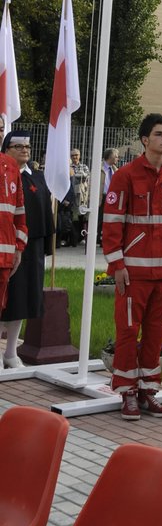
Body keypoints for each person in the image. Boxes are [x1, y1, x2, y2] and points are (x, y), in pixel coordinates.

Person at [102, 113, 162, 421]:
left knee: (156, 333)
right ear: (144, 139)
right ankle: (127, 393)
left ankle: (148, 390)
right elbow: (111, 224)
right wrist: (117, 264)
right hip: (134, 273)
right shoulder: (125, 175)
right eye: (159, 134)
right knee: (128, 332)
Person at [0, 132, 54, 368]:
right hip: (6, 246)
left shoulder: (37, 177)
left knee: (22, 301)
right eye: (18, 146)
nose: (25, 149)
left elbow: (42, 213)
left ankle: (11, 353)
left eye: (28, 146)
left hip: (29, 248)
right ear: (7, 148)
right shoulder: (7, 173)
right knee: (5, 302)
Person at [0, 125, 27, 355]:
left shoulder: (11, 167)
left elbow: (19, 214)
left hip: (4, 256)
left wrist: (18, 248)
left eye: (1, 129)